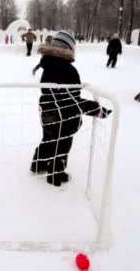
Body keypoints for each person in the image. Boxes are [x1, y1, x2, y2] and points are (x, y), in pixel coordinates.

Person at [30, 30, 111, 187]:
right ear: (68, 49)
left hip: (47, 112)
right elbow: (73, 100)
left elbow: (54, 93)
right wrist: (94, 109)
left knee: (48, 139)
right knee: (62, 144)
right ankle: (55, 175)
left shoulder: (47, 65)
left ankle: (38, 164)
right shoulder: (68, 70)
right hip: (64, 115)